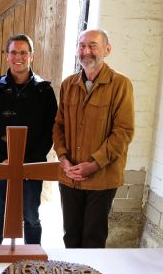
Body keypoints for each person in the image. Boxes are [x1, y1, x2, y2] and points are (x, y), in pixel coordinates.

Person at [53, 29, 135, 248]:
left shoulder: (120, 85)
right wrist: (63, 158)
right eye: (82, 46)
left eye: (92, 46)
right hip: (70, 176)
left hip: (102, 177)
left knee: (93, 238)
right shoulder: (68, 85)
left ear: (107, 50)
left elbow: (123, 131)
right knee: (70, 236)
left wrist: (94, 163)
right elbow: (58, 126)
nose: (86, 51)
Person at [0, 34, 58, 245]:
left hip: (30, 166)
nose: (18, 57)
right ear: (7, 56)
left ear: (31, 56)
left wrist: (28, 163)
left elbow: (51, 129)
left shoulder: (44, 91)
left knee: (30, 215)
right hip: (0, 164)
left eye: (23, 52)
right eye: (13, 52)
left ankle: (32, 263)